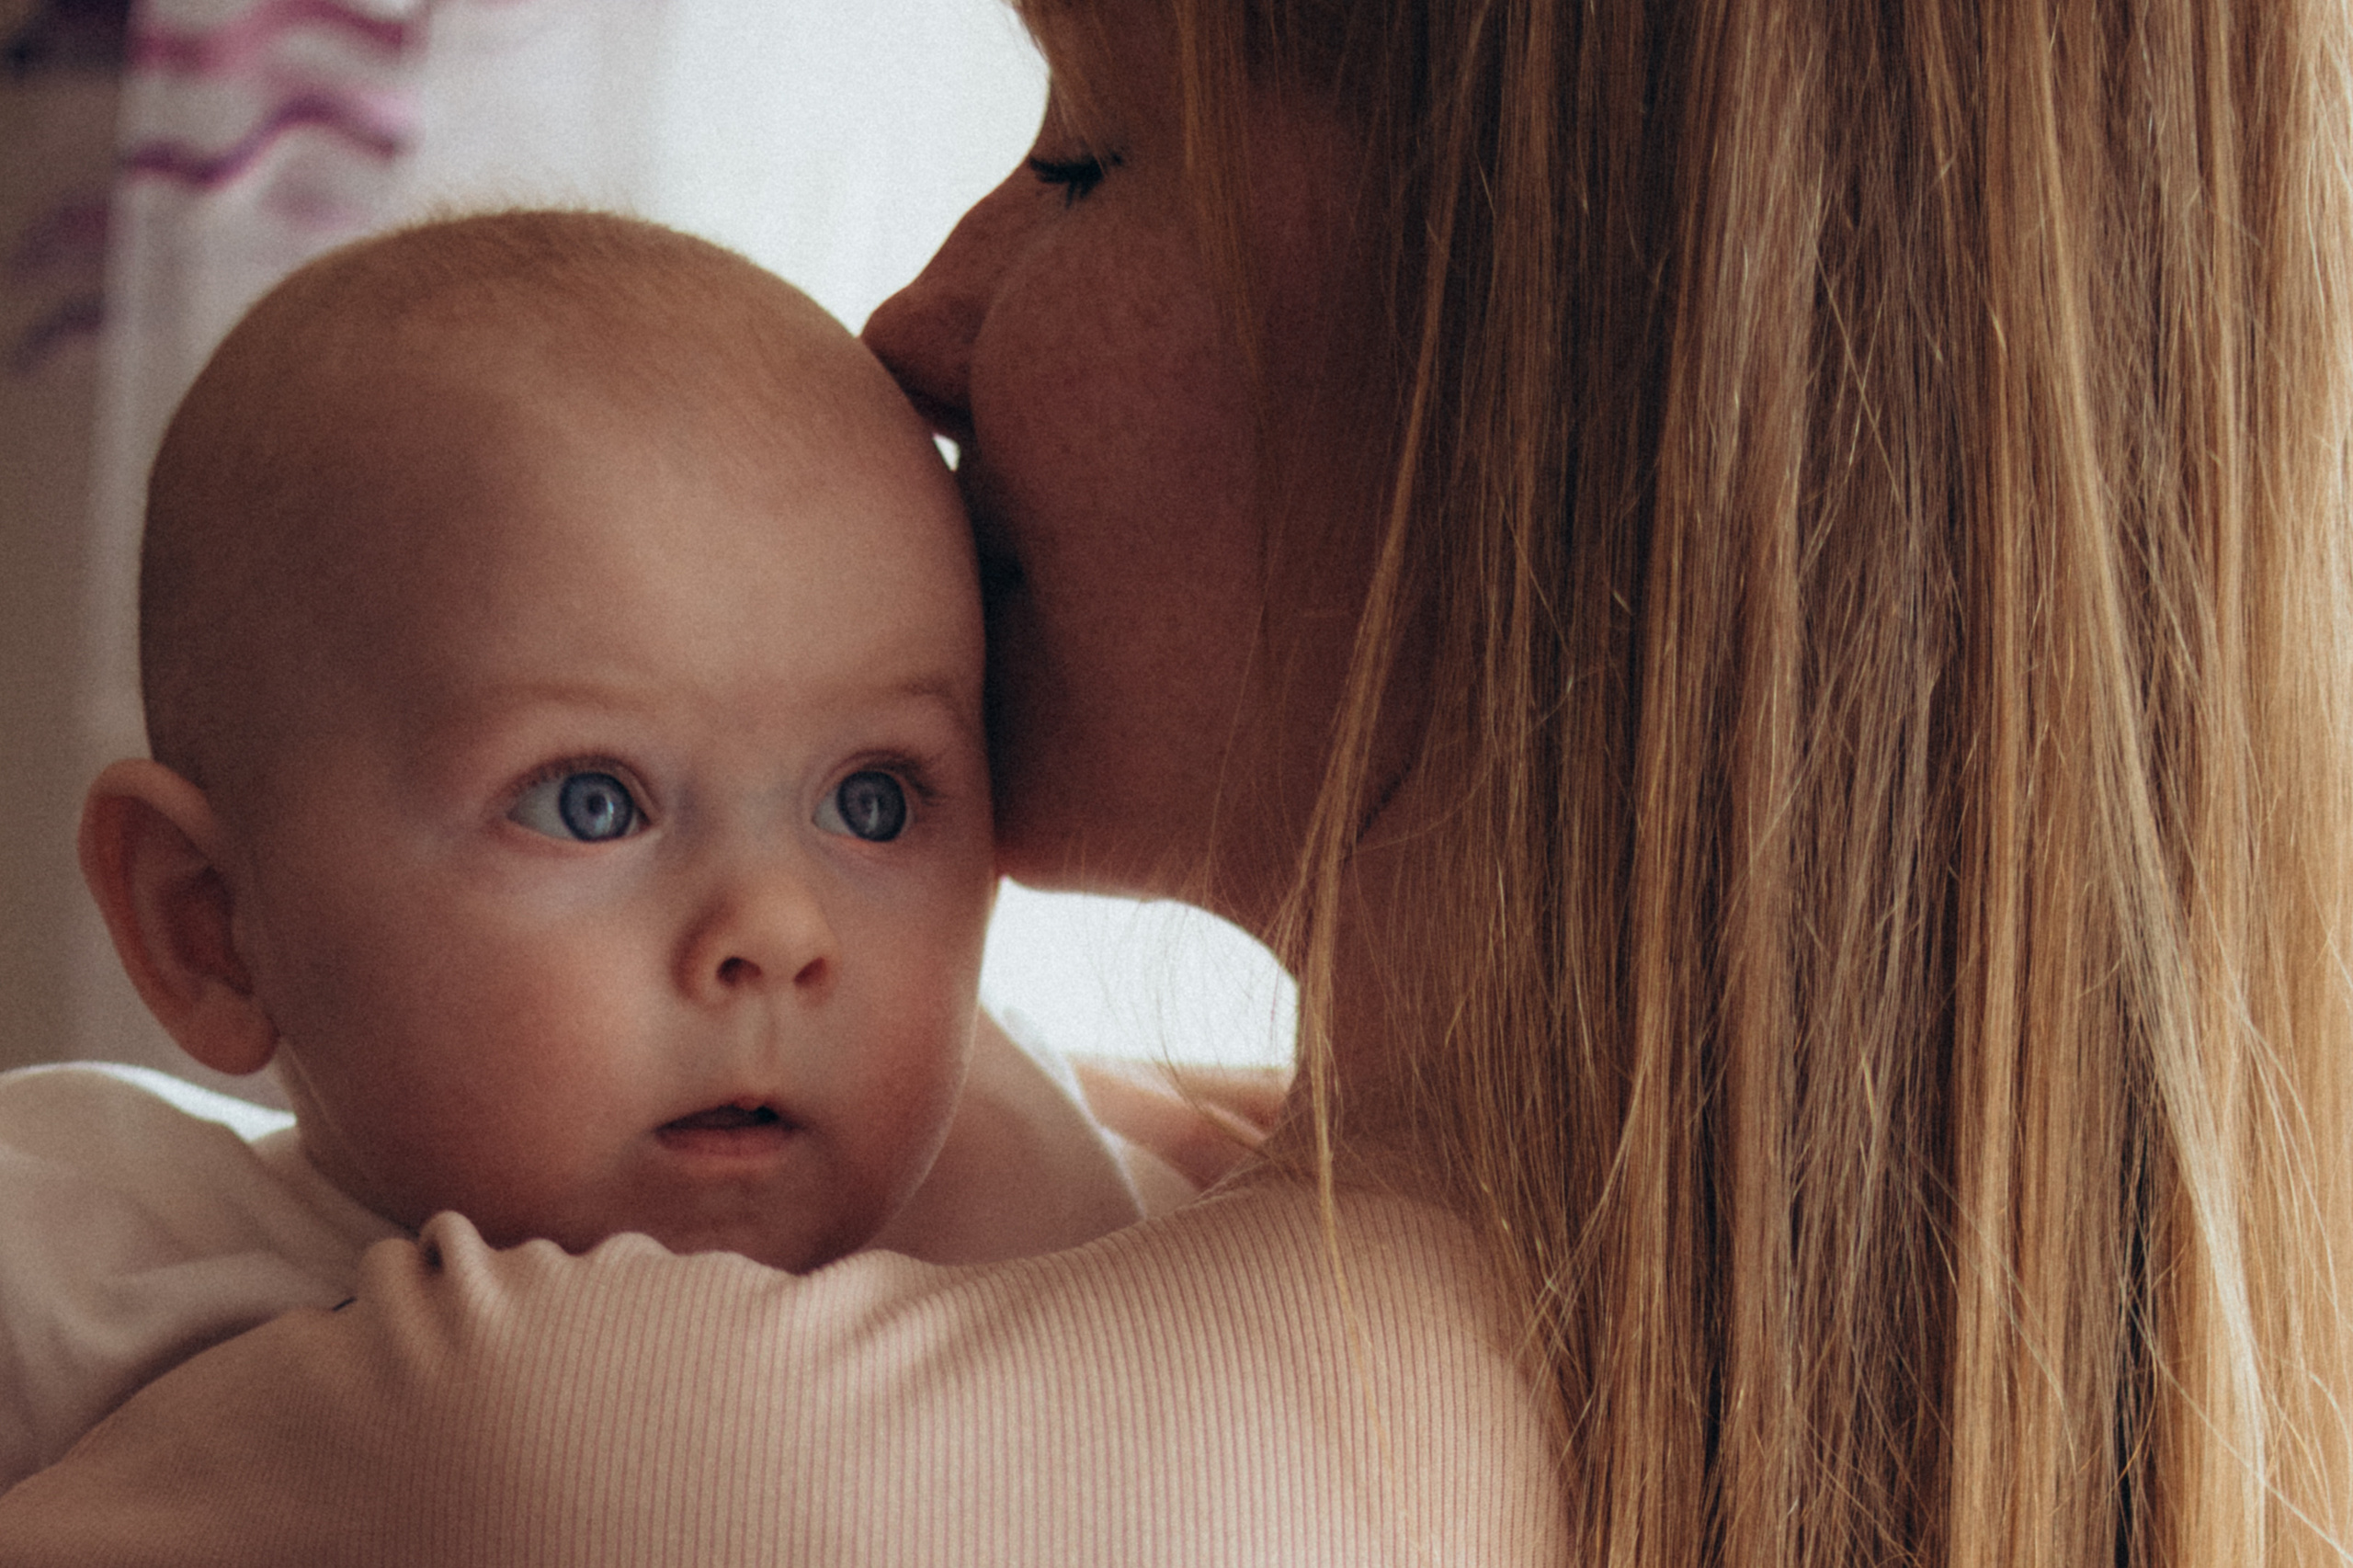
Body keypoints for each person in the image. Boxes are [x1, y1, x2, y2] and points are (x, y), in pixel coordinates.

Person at [3, 0, 2349, 1561]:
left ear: (1551, 332)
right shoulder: (2135, 1347)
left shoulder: (604, 1434)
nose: (912, 323)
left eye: (1089, 157)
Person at [0, 210, 1186, 1494]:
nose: (779, 931)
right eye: (590, 804)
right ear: (212, 926)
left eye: (875, 803)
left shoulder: (1041, 1214)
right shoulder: (84, 1270)